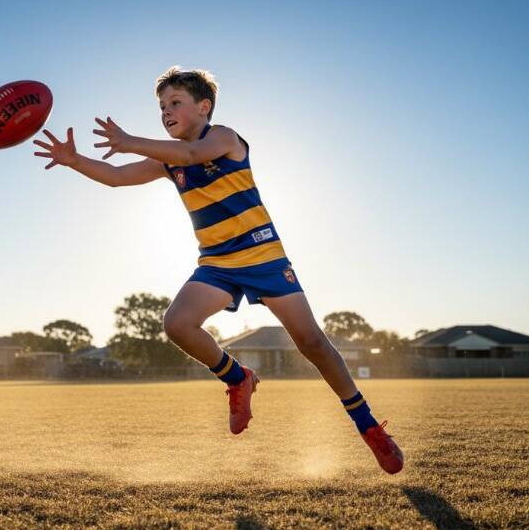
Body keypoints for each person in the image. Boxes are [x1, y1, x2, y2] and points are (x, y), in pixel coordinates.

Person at [33, 66, 403, 474]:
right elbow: (118, 177)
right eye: (161, 106)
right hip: (217, 264)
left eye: (175, 103)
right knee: (177, 324)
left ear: (204, 106)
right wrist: (73, 161)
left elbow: (191, 154)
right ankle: (236, 376)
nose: (166, 111)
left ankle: (369, 427)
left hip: (263, 257)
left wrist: (130, 141)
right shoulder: (166, 161)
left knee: (312, 342)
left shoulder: (225, 137)